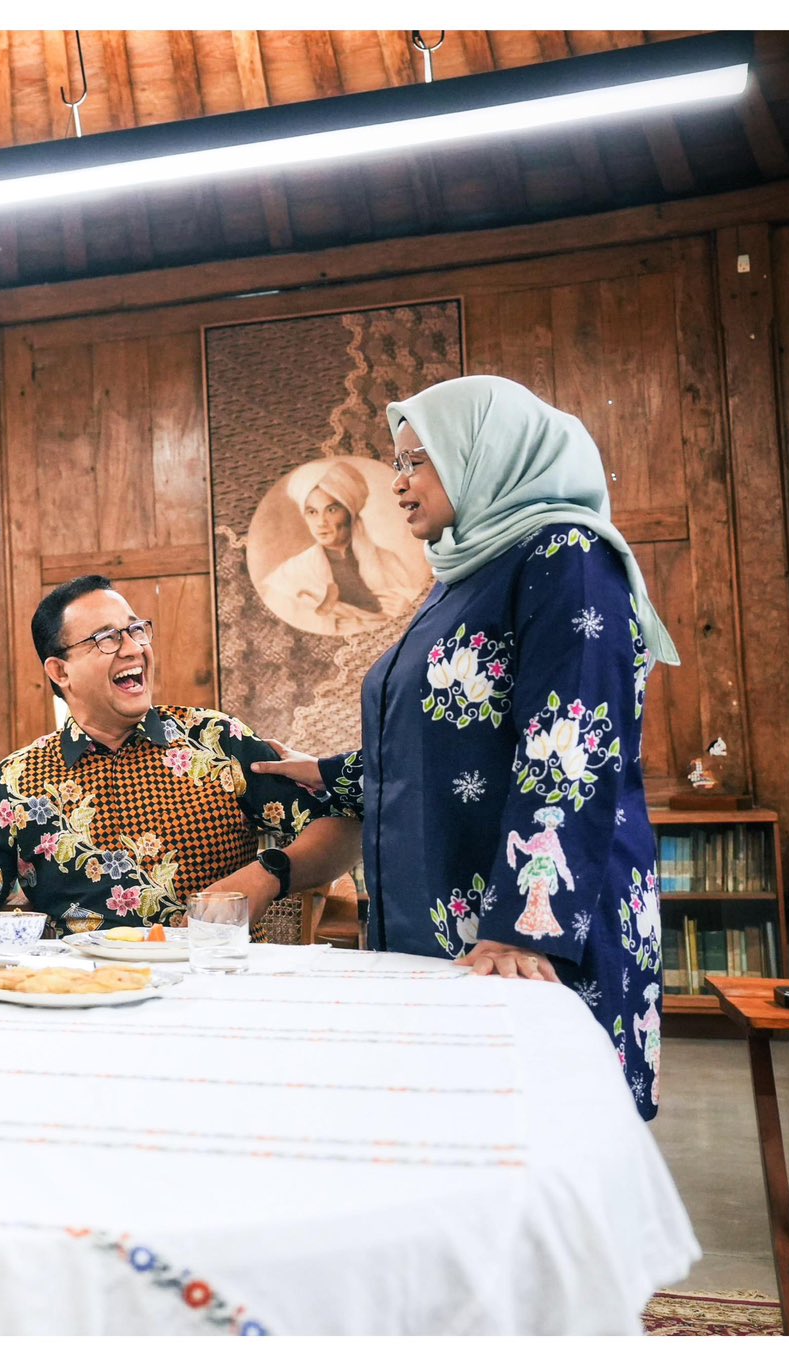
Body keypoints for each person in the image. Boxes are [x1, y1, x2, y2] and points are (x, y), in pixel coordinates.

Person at [252, 375, 680, 1121]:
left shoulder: (567, 554)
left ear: (488, 454)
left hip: (534, 940)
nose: (400, 484)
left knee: (543, 1157)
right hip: (457, 930)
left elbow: (568, 743)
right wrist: (328, 774)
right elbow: (453, 736)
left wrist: (523, 929)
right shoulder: (463, 577)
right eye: (397, 462)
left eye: (418, 460)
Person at [0, 576, 362, 941]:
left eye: (135, 630)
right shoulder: (22, 780)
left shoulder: (215, 741)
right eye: (105, 638)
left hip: (210, 988)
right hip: (82, 1000)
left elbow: (342, 825)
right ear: (60, 672)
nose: (131, 648)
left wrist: (267, 875)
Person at [258, 457, 429, 634]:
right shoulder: (291, 574)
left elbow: (418, 607)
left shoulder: (388, 562)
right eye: (312, 512)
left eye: (331, 510)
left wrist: (405, 607)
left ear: (349, 513)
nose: (321, 522)